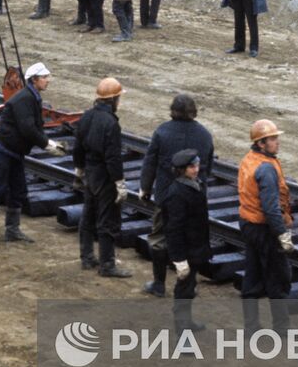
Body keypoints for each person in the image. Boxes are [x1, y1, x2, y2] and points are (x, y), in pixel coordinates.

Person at [139, 94, 215, 297]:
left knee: (159, 238)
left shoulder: (162, 131)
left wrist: (145, 188)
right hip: (194, 197)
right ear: (194, 112)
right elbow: (207, 167)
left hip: (165, 195)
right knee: (193, 239)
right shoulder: (205, 135)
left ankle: (159, 284)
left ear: (172, 110)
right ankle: (189, 285)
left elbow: (150, 162)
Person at [0, 62, 62, 249]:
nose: (48, 80)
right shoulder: (24, 99)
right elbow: (28, 129)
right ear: (34, 80)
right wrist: (47, 144)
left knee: (18, 191)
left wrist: (47, 142)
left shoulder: (32, 97)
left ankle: (12, 230)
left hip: (14, 152)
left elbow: (35, 127)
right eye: (45, 77)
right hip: (4, 151)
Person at [239, 119, 293, 335]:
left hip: (249, 224)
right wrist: (282, 234)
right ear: (261, 143)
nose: (277, 142)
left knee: (252, 275)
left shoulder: (249, 160)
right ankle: (281, 330)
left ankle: (251, 328)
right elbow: (271, 208)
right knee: (278, 278)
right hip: (264, 229)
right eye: (273, 139)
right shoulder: (266, 169)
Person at [75, 78, 131, 277]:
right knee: (108, 221)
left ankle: (87, 257)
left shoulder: (87, 116)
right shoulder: (111, 123)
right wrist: (119, 182)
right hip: (105, 178)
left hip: (90, 174)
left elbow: (78, 146)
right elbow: (113, 157)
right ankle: (107, 265)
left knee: (88, 215)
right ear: (114, 99)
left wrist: (79, 170)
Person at [166, 149, 215, 334]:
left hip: (195, 248)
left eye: (196, 165)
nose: (196, 169)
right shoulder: (178, 193)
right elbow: (174, 229)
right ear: (181, 170)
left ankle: (187, 323)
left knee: (189, 288)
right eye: (191, 167)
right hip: (186, 252)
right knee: (184, 292)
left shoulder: (194, 186)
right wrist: (179, 260)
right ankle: (182, 333)